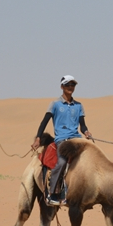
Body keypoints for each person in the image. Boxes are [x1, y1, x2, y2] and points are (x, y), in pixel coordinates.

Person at [32, 75, 92, 205]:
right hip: (62, 139)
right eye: (68, 85)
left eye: (73, 85)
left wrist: (86, 132)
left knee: (91, 157)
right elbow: (44, 122)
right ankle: (52, 193)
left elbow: (82, 125)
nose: (71, 87)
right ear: (62, 87)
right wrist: (38, 138)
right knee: (62, 162)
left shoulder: (79, 106)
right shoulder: (55, 104)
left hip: (77, 138)